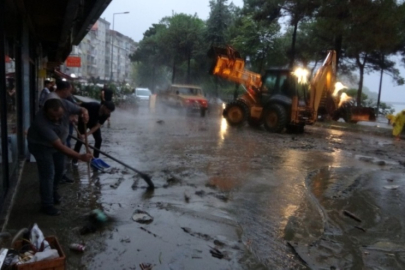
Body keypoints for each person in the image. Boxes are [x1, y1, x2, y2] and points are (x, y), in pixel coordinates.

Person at [27, 98, 92, 216]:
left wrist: (84, 113)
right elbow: (59, 146)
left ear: (64, 109)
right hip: (41, 146)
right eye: (52, 117)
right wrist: (80, 156)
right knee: (48, 174)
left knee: (60, 170)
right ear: (45, 112)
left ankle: (53, 191)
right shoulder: (41, 123)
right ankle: (47, 205)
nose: (57, 120)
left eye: (60, 116)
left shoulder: (65, 104)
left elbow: (81, 109)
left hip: (59, 143)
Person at [72, 101, 115, 165]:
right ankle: (74, 160)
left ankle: (95, 159)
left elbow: (98, 126)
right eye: (108, 111)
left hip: (94, 124)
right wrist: (74, 116)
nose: (109, 113)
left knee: (99, 139)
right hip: (83, 121)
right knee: (80, 140)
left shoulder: (106, 114)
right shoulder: (93, 105)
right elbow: (79, 104)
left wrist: (86, 134)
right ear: (105, 107)